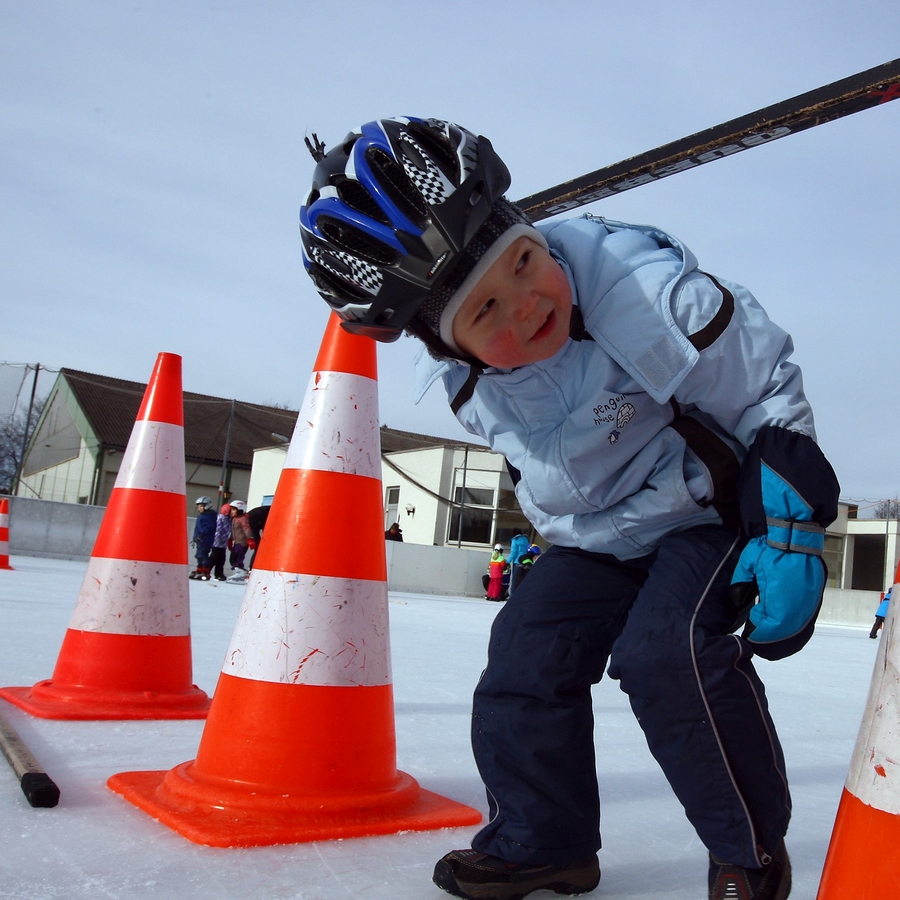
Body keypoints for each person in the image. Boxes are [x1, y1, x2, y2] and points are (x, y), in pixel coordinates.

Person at [299, 117, 840, 900]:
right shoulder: (469, 387)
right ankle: (543, 841)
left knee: (667, 656)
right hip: (600, 539)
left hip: (705, 510)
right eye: (484, 312)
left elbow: (759, 384)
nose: (523, 305)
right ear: (444, 344)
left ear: (530, 231)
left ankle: (747, 852)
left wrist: (791, 525)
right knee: (524, 653)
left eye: (523, 263)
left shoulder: (645, 295)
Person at [189, 496, 217, 580]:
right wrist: (195, 537)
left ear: (207, 506)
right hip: (200, 540)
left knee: (203, 555)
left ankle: (205, 570)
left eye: (201, 506)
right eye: (198, 506)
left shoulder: (209, 516)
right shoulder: (202, 516)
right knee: (199, 555)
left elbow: (208, 527)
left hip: (205, 539)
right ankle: (200, 569)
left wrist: (201, 535)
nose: (199, 508)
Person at [226, 500, 252, 583]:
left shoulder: (243, 519)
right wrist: (230, 539)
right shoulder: (234, 519)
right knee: (232, 558)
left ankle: (240, 572)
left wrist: (250, 539)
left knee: (238, 557)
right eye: (231, 509)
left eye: (234, 509)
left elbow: (246, 529)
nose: (231, 511)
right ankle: (237, 572)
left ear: (240, 509)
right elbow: (233, 531)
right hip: (236, 542)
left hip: (242, 542)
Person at [208, 503, 232, 582]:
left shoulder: (229, 519)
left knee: (221, 559)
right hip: (217, 542)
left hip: (223, 543)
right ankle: (206, 571)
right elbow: (218, 529)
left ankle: (219, 574)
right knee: (213, 558)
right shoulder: (220, 518)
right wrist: (217, 539)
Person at [247, 504, 271, 569]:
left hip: (254, 521)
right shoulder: (271, 511)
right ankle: (252, 568)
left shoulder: (268, 510)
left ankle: (252, 567)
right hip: (252, 522)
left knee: (258, 546)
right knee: (258, 546)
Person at [507, 530, 530, 595]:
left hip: (517, 562)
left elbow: (513, 553)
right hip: (525, 561)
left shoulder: (515, 540)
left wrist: (507, 562)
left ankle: (513, 596)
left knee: (515, 581)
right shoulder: (526, 539)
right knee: (522, 581)